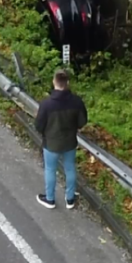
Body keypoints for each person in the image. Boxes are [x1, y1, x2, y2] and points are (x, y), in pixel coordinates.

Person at [34, 70, 88, 210]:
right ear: (67, 83)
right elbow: (82, 122)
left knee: (50, 169)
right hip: (70, 142)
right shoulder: (77, 101)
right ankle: (70, 199)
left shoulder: (46, 104)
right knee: (70, 168)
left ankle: (50, 199)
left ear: (54, 82)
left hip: (51, 143)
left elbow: (38, 125)